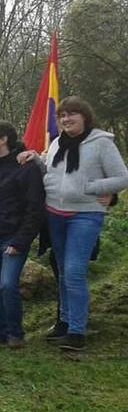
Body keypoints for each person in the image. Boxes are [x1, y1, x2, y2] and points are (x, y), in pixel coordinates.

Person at [20, 98, 128, 351]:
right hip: (55, 214)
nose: (67, 120)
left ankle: (77, 331)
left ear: (85, 116)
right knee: (63, 271)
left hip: (85, 215)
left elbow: (122, 177)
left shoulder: (101, 143)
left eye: (72, 115)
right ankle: (65, 322)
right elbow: (51, 172)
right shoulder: (58, 143)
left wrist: (93, 187)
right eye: (63, 116)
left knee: (75, 271)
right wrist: (35, 158)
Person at [0, 121, 45, 348]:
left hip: (13, 237)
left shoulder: (26, 167)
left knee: (8, 284)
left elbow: (35, 208)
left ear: (3, 139)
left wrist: (21, 240)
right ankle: (0, 332)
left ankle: (16, 333)